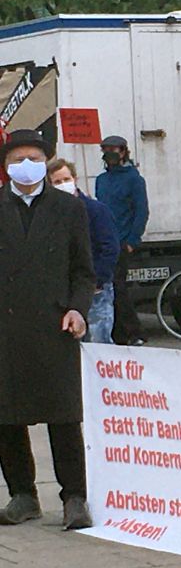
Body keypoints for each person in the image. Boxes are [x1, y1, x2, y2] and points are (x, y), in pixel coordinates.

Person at [0, 129, 95, 529]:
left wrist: (77, 308)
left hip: (54, 324)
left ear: (46, 162)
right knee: (6, 415)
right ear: (6, 166)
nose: (26, 165)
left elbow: (82, 270)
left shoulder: (68, 208)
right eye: (18, 158)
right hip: (5, 326)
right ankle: (23, 494)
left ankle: (74, 496)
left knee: (63, 414)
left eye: (34, 158)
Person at [48, 159, 120, 344]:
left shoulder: (96, 210)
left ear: (74, 178)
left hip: (96, 292)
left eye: (66, 179)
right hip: (65, 290)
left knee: (99, 341)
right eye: (57, 182)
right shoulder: (50, 215)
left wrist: (96, 280)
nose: (63, 184)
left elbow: (109, 247)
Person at [95, 134, 149, 346]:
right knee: (106, 287)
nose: (110, 154)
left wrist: (132, 240)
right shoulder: (101, 180)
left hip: (121, 242)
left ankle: (134, 332)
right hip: (103, 241)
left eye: (114, 149)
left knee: (118, 287)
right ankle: (118, 332)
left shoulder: (134, 179)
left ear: (124, 152)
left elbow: (141, 211)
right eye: (106, 149)